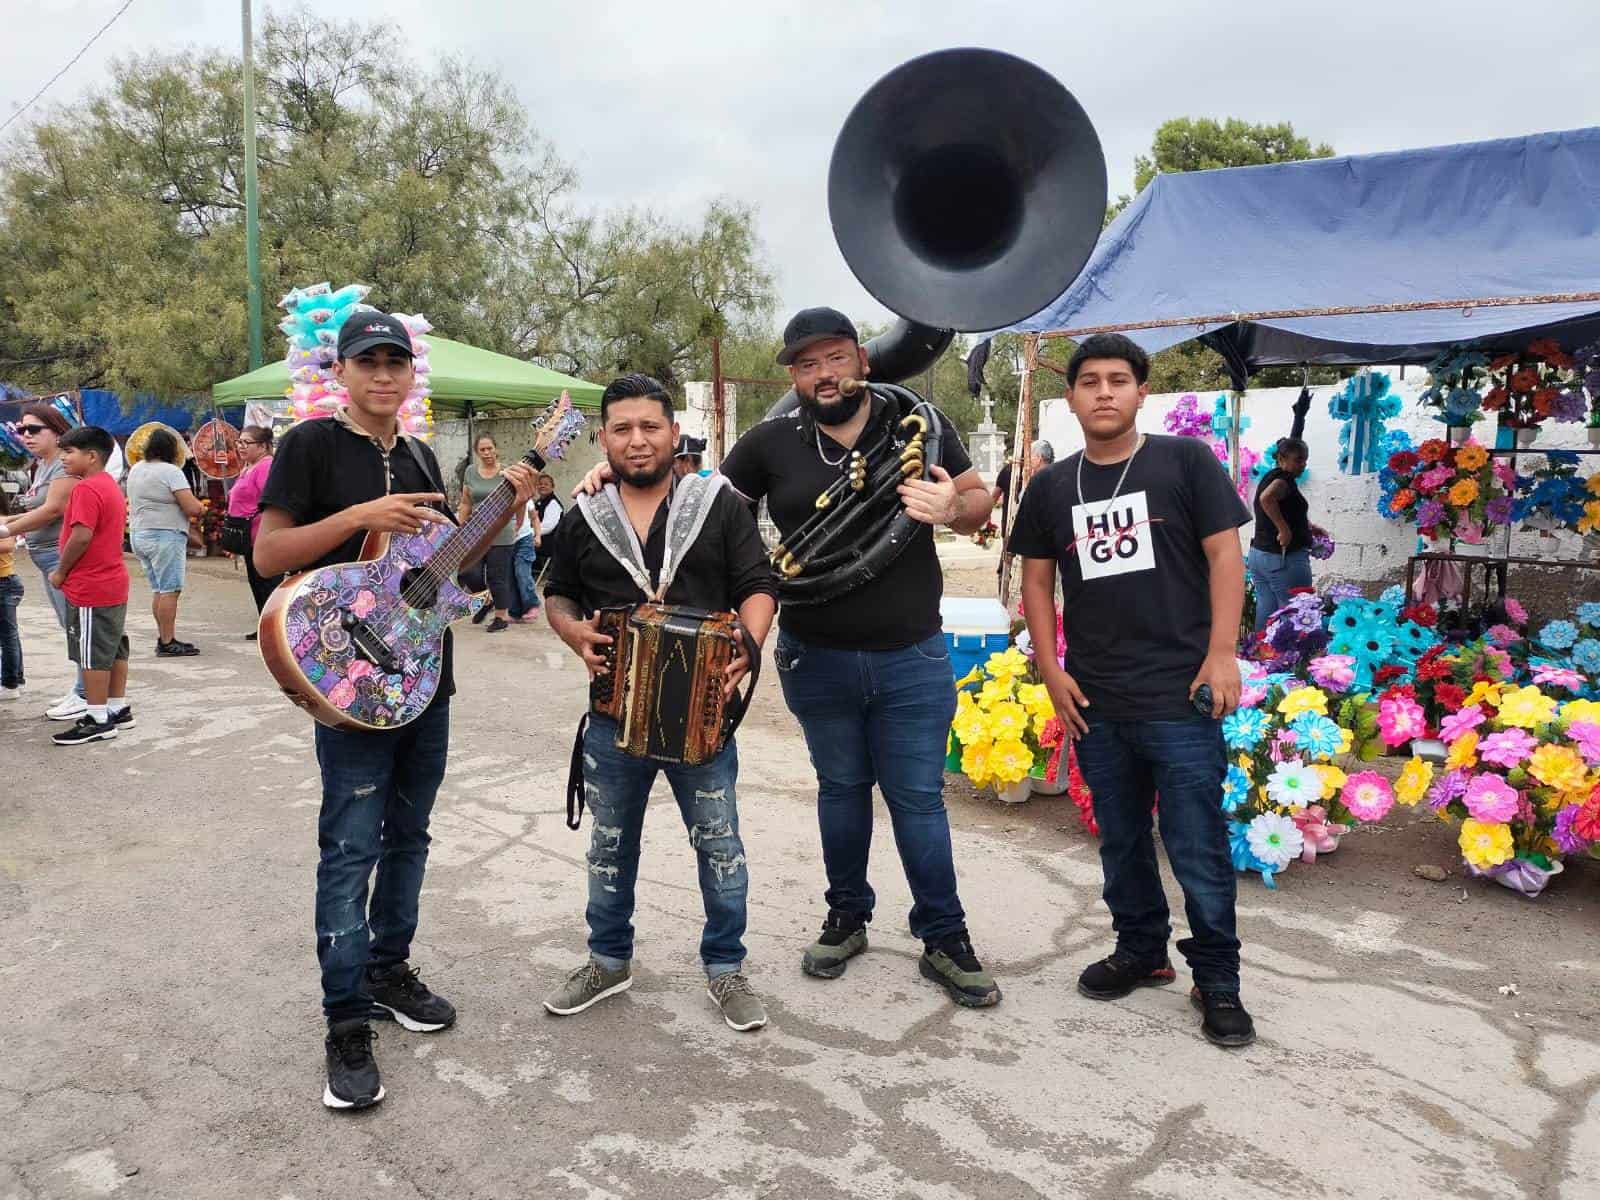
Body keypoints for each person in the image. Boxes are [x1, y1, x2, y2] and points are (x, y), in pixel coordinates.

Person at [253, 311, 535, 1112]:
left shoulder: (418, 454)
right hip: (347, 685)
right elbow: (269, 553)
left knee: (410, 836)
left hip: (422, 680)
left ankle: (387, 969)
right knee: (350, 850)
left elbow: (441, 567)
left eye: (396, 361)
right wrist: (357, 520)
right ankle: (345, 1020)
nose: (383, 374)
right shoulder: (309, 446)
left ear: (412, 374)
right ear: (339, 372)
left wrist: (505, 508)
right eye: (366, 361)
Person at [721, 307, 1001, 1008]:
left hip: (912, 655)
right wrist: (614, 472)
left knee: (917, 801)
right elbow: (708, 516)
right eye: (808, 364)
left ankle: (946, 937)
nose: (824, 374)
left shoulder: (920, 426)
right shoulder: (766, 443)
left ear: (863, 360)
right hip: (815, 656)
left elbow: (977, 501)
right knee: (840, 792)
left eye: (837, 358)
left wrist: (951, 507)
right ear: (793, 375)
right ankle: (846, 917)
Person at [1008, 332, 1255, 1049]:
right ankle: (1142, 950)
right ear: (1072, 397)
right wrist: (1052, 671)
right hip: (1097, 700)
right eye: (1091, 381)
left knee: (1197, 845)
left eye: (1120, 379)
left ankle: (1218, 981)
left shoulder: (1183, 463)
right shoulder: (1053, 486)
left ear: (1142, 392)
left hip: (1180, 695)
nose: (1105, 391)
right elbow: (1035, 578)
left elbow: (1224, 557)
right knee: (1120, 840)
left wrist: (1221, 654)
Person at [542, 373, 777, 1032]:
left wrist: (748, 647)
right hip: (613, 717)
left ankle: (725, 968)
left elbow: (758, 584)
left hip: (703, 720)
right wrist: (571, 631)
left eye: (650, 427)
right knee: (609, 847)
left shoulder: (718, 506)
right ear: (603, 438)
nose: (637, 440)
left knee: (720, 846)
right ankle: (608, 960)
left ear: (675, 435)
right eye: (622, 428)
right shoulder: (584, 515)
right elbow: (555, 589)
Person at [43, 426, 133, 746]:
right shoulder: (108, 485)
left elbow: (81, 535)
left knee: (92, 654)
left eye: (69, 452)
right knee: (114, 646)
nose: (63, 458)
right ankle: (116, 706)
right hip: (111, 581)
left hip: (91, 584)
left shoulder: (85, 489)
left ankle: (97, 717)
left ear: (92, 456)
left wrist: (61, 572)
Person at [2, 403, 86, 719]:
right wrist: (8, 519)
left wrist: (5, 528)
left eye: (34, 429)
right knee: (70, 626)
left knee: (77, 626)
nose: (26, 435)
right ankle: (82, 688)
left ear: (57, 429)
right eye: (22, 430)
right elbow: (36, 509)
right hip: (46, 558)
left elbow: (52, 510)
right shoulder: (44, 465)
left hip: (59, 557)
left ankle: (85, 692)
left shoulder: (63, 467)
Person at [127, 429, 203, 656]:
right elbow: (191, 507)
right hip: (164, 536)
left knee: (159, 589)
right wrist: (202, 508)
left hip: (140, 534)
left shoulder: (137, 468)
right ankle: (167, 642)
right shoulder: (171, 471)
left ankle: (164, 637)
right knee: (171, 589)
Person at [1247, 438, 1321, 630]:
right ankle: (1290, 659)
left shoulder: (1272, 476)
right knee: (1295, 611)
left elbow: (1286, 509)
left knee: (1267, 608)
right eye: (1298, 460)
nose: (1303, 464)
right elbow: (1267, 499)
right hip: (1282, 558)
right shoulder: (1283, 480)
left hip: (1260, 555)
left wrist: (1308, 526)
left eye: (1305, 460)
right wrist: (1284, 529)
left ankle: (1259, 655)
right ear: (1281, 458)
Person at [459, 432, 519, 633]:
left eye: (489, 448)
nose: (486, 453)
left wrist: (518, 524)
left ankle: (501, 617)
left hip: (502, 532)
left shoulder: (508, 472)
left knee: (497, 576)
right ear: (477, 452)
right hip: (475, 532)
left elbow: (519, 502)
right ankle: (486, 600)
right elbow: (466, 502)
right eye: (482, 450)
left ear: (496, 449)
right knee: (468, 572)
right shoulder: (470, 472)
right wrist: (460, 527)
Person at [229, 424, 280, 633]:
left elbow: (269, 500)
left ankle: (273, 627)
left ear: (263, 446)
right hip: (248, 536)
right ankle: (264, 625)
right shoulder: (248, 466)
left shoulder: (265, 465)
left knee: (267, 582)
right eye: (239, 442)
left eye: (246, 442)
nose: (241, 446)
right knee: (255, 581)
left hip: (261, 534)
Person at [0, 489, 23, 700]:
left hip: (4, 583)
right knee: (8, 636)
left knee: (7, 636)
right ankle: (16, 678)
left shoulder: (3, 520)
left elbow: (7, 544)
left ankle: (10, 683)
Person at [507, 492, 542, 625]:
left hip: (524, 539)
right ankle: (515, 611)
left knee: (521, 572)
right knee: (509, 576)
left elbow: (534, 519)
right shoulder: (500, 502)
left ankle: (532, 604)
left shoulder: (526, 499)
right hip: (507, 541)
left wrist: (537, 535)